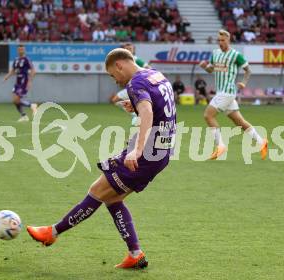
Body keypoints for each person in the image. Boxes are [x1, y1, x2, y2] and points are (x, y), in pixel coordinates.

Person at [27, 48, 177, 269]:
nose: (114, 80)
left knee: (97, 191)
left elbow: (148, 113)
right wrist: (135, 106)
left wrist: (136, 149)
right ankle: (135, 254)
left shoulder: (135, 83)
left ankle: (52, 232)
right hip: (162, 150)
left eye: (112, 75)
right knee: (112, 198)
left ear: (119, 65)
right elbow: (158, 107)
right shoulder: (155, 74)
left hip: (146, 152)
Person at [199, 29, 267, 160]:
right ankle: (261, 142)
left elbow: (248, 70)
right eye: (218, 40)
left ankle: (220, 146)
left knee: (208, 115)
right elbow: (211, 69)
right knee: (239, 121)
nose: (220, 43)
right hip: (222, 93)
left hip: (227, 92)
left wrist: (243, 82)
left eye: (223, 40)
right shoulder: (215, 53)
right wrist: (204, 67)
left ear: (228, 40)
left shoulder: (236, 55)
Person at [110, 42, 150, 126]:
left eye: (130, 49)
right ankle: (137, 115)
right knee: (115, 101)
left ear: (133, 50)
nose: (128, 50)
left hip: (138, 86)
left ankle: (139, 116)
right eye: (127, 49)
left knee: (115, 100)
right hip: (129, 87)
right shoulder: (121, 61)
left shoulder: (135, 59)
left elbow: (148, 68)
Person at [3, 45, 37, 121]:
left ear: (24, 50)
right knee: (14, 101)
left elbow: (33, 70)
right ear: (18, 51)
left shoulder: (26, 59)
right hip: (17, 82)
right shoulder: (16, 59)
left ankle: (32, 105)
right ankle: (24, 116)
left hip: (23, 82)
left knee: (16, 99)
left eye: (22, 49)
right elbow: (13, 70)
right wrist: (6, 77)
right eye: (19, 49)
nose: (21, 51)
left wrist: (30, 81)